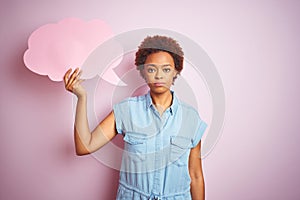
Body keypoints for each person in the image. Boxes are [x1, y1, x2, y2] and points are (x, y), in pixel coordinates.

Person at [64, 35, 207, 200]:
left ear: (176, 71)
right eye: (152, 69)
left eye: (166, 69)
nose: (159, 76)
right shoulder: (126, 110)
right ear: (143, 72)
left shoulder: (191, 118)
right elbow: (84, 146)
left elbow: (196, 176)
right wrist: (82, 98)